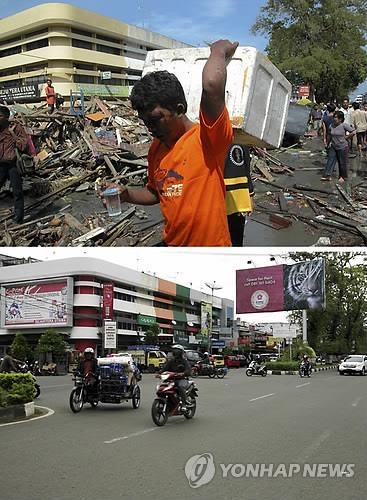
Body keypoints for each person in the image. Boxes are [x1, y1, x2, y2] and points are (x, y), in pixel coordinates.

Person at [101, 39, 239, 246]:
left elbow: (211, 86)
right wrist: (127, 194)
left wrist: (219, 51)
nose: (149, 127)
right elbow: (155, 193)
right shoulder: (156, 149)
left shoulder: (207, 139)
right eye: (145, 121)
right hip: (173, 246)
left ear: (180, 109)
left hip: (212, 252)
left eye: (155, 119)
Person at [0, 105, 28, 223]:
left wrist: (12, 134)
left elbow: (23, 145)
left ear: (6, 117)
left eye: (0, 116)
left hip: (13, 164)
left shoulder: (15, 127)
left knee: (17, 192)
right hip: (0, 164)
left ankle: (18, 218)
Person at [224, 143, 254, 246]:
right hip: (229, 199)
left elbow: (246, 170)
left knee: (235, 239)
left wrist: (250, 195)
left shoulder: (241, 142)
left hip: (236, 201)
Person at [321, 110, 355, 183]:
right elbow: (330, 135)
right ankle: (328, 175)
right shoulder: (331, 125)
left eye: (336, 117)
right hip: (333, 146)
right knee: (330, 160)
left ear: (340, 119)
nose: (334, 119)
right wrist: (327, 143)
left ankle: (343, 176)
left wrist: (346, 137)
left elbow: (353, 132)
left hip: (343, 146)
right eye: (334, 117)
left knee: (342, 162)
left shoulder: (344, 125)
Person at [159, 344, 191, 411]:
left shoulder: (184, 361)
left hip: (182, 379)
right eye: (174, 351)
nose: (175, 352)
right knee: (162, 387)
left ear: (180, 352)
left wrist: (183, 373)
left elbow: (188, 370)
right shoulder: (171, 361)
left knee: (180, 387)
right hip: (171, 380)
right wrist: (159, 373)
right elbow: (165, 369)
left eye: (176, 351)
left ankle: (184, 404)